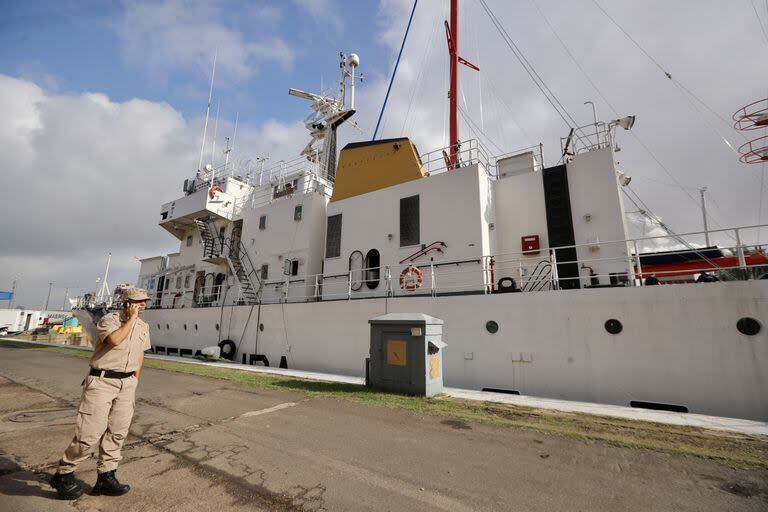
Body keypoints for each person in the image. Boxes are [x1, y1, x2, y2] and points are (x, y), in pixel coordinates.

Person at [50, 288, 151, 500]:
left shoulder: (143, 326)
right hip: (102, 382)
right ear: (127, 303)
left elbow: (140, 354)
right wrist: (131, 319)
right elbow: (114, 341)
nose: (143, 304)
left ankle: (106, 477)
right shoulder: (110, 320)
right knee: (89, 434)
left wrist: (134, 380)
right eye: (138, 301)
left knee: (117, 433)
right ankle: (64, 473)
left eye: (145, 301)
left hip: (126, 384)